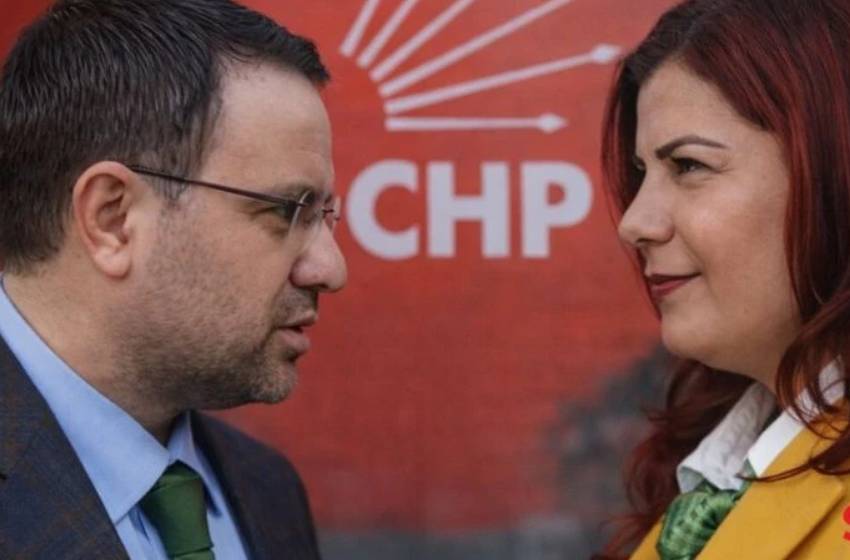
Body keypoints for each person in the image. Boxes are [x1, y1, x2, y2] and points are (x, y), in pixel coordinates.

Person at [0, 0, 346, 558]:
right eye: (287, 211)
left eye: (325, 216)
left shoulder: (267, 491)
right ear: (112, 218)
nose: (331, 270)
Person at [597, 0, 850, 558]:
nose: (634, 223)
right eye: (642, 172)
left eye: (688, 166)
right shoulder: (719, 469)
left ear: (834, 173)